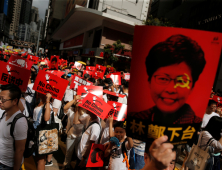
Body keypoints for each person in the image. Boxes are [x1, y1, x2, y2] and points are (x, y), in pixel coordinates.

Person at [130, 34, 206, 124]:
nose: (170, 89)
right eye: (163, 79)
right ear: (149, 81)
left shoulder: (196, 127)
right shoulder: (134, 119)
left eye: (181, 81)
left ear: (192, 87)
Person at [0, 84, 28, 170]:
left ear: (15, 101)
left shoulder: (20, 121)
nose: (0, 101)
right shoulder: (5, 114)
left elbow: (20, 150)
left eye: (3, 99)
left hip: (7, 166)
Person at [75, 105, 101, 170]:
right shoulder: (90, 118)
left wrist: (84, 158)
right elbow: (76, 122)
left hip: (84, 156)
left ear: (92, 111)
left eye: (89, 107)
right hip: (81, 154)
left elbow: (92, 144)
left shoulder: (95, 126)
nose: (86, 108)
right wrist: (77, 110)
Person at [32, 92, 53, 169]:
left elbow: (46, 118)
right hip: (36, 132)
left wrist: (48, 100)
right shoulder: (39, 102)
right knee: (38, 159)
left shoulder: (48, 104)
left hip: (43, 134)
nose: (38, 92)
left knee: (41, 159)